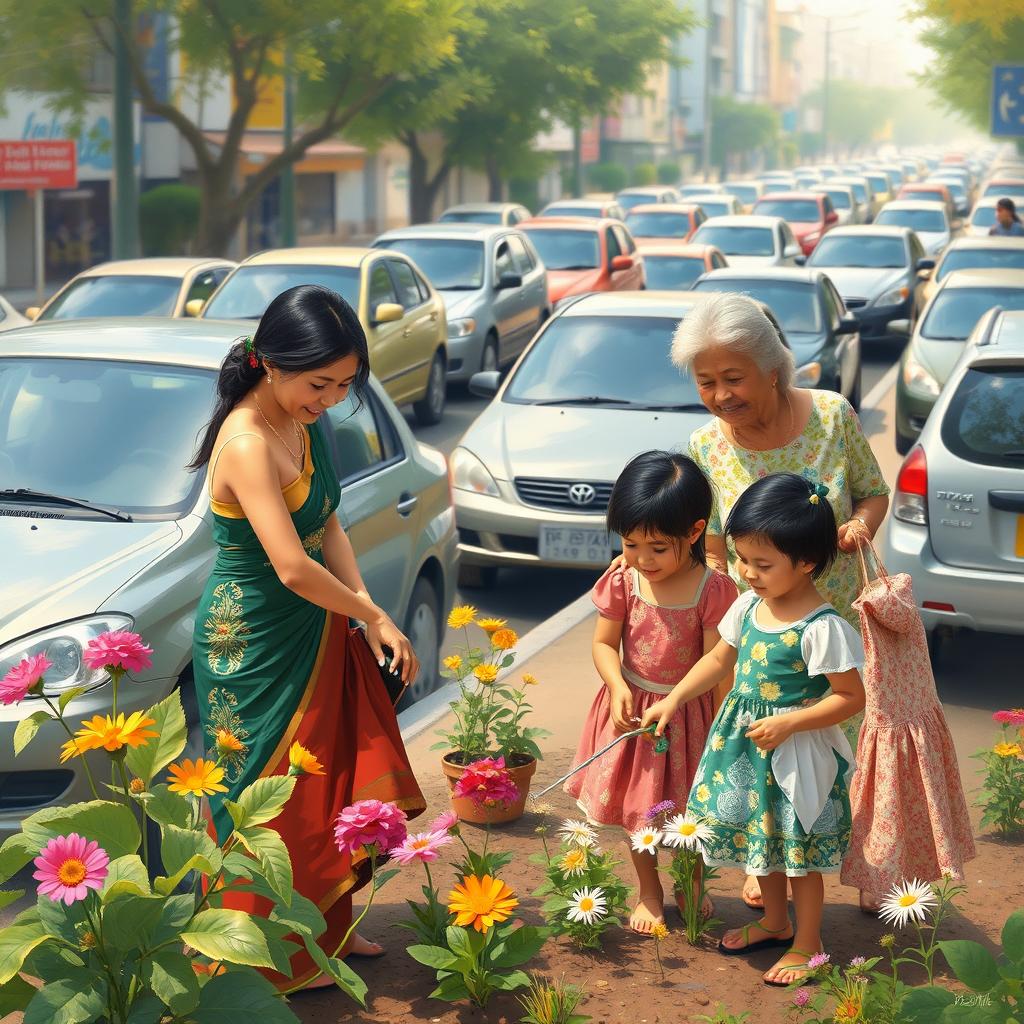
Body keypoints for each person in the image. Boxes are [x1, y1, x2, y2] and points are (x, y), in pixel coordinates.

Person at [189, 284, 426, 991]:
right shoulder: (245, 441)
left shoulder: (305, 422)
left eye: (344, 386)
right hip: (251, 641)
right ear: (269, 363)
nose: (328, 398)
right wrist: (368, 613)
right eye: (319, 383)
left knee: (326, 780)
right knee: (263, 794)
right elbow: (291, 567)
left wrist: (364, 609)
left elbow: (327, 525)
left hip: (315, 622)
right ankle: (251, 958)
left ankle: (328, 931)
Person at [674, 291, 889, 913]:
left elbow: (873, 493)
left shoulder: (831, 414)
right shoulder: (706, 445)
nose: (720, 396)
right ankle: (769, 861)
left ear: (773, 368)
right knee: (771, 760)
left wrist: (859, 528)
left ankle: (862, 862)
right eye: (706, 381)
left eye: (733, 378)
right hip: (757, 633)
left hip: (833, 621)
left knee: (842, 750)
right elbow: (709, 542)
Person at [642, 473, 866, 986]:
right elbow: (720, 659)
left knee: (798, 852)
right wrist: (674, 698)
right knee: (761, 843)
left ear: (806, 562)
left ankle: (809, 942)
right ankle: (773, 921)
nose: (748, 573)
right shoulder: (747, 606)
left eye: (763, 565)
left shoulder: (821, 627)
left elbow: (851, 697)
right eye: (744, 559)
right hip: (744, 750)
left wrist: (791, 721)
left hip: (795, 755)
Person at [565, 451, 737, 934]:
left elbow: (716, 660)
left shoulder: (713, 589)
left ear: (695, 531)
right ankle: (649, 889)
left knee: (689, 808)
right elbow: (603, 643)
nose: (643, 558)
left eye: (658, 547)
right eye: (631, 543)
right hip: (632, 713)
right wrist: (617, 684)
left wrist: (681, 699)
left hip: (690, 713)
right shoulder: (622, 579)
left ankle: (691, 880)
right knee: (638, 808)